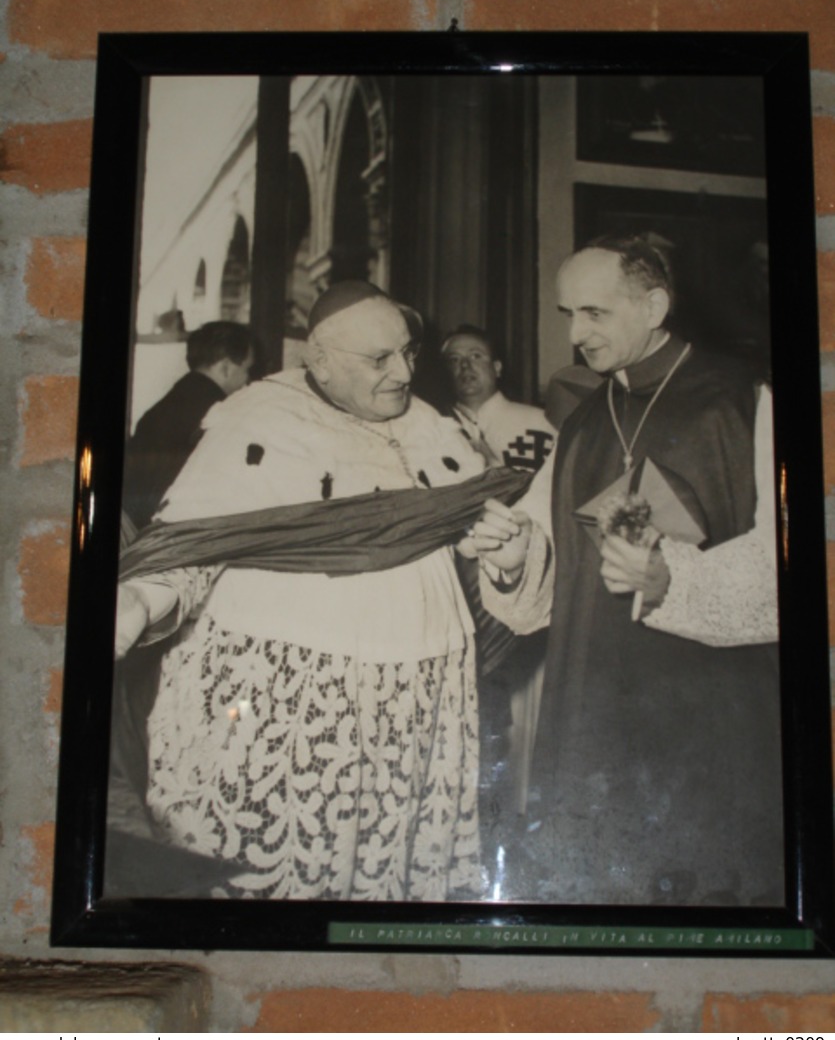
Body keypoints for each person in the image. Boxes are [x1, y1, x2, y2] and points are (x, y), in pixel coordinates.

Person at [113, 281, 493, 902]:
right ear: (319, 362)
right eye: (380, 360)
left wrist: (506, 551)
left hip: (415, 705)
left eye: (409, 352)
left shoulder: (433, 426)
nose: (404, 372)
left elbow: (472, 536)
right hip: (292, 706)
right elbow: (190, 545)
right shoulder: (258, 419)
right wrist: (140, 602)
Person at [473, 236, 783, 907]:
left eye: (593, 313)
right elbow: (550, 559)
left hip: (709, 704)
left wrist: (675, 584)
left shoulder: (744, 401)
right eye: (566, 314)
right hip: (594, 697)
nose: (575, 334)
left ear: (653, 305)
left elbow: (794, 560)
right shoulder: (582, 422)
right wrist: (512, 555)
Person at [122, 320, 255, 530]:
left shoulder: (164, 407)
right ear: (226, 368)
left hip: (139, 530)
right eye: (247, 369)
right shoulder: (219, 413)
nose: (247, 381)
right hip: (175, 534)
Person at [442, 325, 556, 471]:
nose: (465, 365)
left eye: (476, 356)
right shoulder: (436, 428)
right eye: (454, 360)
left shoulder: (540, 422)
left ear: (497, 368)